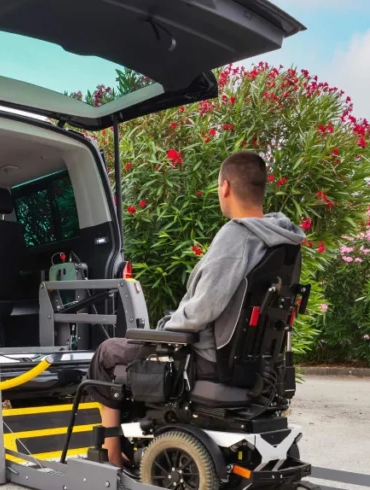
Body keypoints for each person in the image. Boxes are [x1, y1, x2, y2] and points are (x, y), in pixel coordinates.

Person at [87, 150, 306, 468]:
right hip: (254, 367)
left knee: (107, 354)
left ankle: (111, 455)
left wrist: (162, 333)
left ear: (225, 187)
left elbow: (201, 310)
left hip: (207, 361)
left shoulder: (237, 236)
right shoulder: (283, 242)